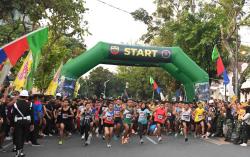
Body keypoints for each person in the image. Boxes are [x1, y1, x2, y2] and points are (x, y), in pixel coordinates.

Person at [12, 90, 34, 157]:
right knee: (23, 137)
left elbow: (13, 115)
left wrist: (12, 125)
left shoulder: (15, 104)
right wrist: (32, 124)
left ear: (20, 96)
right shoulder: (30, 104)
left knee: (18, 136)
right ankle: (20, 151)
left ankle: (18, 152)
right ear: (27, 97)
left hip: (18, 122)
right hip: (26, 122)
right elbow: (32, 115)